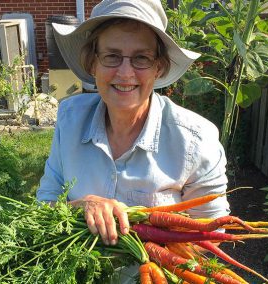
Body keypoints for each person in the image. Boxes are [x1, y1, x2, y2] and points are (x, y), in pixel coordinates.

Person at [38, 0, 229, 262]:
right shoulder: (70, 119)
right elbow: (45, 201)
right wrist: (78, 207)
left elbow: (211, 234)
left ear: (158, 67)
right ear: (93, 63)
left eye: (141, 58)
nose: (125, 73)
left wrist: (156, 254)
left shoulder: (196, 140)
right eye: (112, 56)